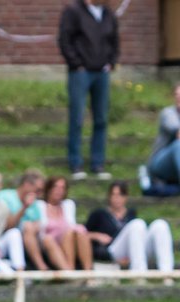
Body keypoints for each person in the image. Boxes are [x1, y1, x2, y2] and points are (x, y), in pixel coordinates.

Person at [59, 0, 118, 180]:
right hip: (81, 73)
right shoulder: (73, 12)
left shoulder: (108, 14)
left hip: (102, 72)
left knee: (101, 119)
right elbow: (64, 39)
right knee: (77, 117)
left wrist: (111, 62)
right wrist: (76, 64)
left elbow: (114, 41)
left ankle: (97, 163)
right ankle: (75, 163)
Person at [85, 181, 175, 273]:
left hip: (135, 252)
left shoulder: (131, 214)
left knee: (160, 225)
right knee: (137, 224)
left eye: (120, 195)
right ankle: (139, 273)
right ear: (109, 196)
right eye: (114, 195)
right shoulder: (99, 214)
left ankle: (167, 273)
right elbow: (82, 235)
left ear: (126, 197)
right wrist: (96, 235)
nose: (117, 198)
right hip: (113, 250)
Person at [35, 175, 93, 272]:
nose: (59, 190)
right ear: (49, 189)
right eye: (56, 187)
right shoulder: (40, 205)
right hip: (49, 243)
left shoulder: (68, 205)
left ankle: (88, 271)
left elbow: (72, 225)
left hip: (67, 239)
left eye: (62, 188)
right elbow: (41, 231)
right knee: (49, 238)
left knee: (77, 232)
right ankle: (69, 270)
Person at [0, 168, 45, 270]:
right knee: (21, 229)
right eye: (38, 190)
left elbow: (38, 224)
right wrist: (24, 207)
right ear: (27, 184)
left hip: (28, 240)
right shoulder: (4, 197)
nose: (40, 194)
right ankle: (40, 268)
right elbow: (7, 226)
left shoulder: (34, 203)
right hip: (2, 239)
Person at [144, 82, 180, 189]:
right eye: (177, 95)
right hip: (160, 163)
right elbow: (175, 128)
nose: (179, 98)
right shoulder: (168, 113)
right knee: (178, 145)